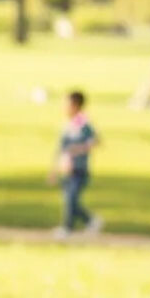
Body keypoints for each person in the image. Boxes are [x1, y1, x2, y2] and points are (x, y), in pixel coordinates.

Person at [50, 90, 102, 238]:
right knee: (70, 200)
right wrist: (54, 170)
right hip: (67, 169)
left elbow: (95, 141)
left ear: (76, 105)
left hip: (79, 169)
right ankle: (90, 220)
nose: (64, 107)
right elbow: (61, 148)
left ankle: (68, 227)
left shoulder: (82, 123)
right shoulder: (69, 124)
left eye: (67, 104)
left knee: (71, 199)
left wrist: (76, 150)